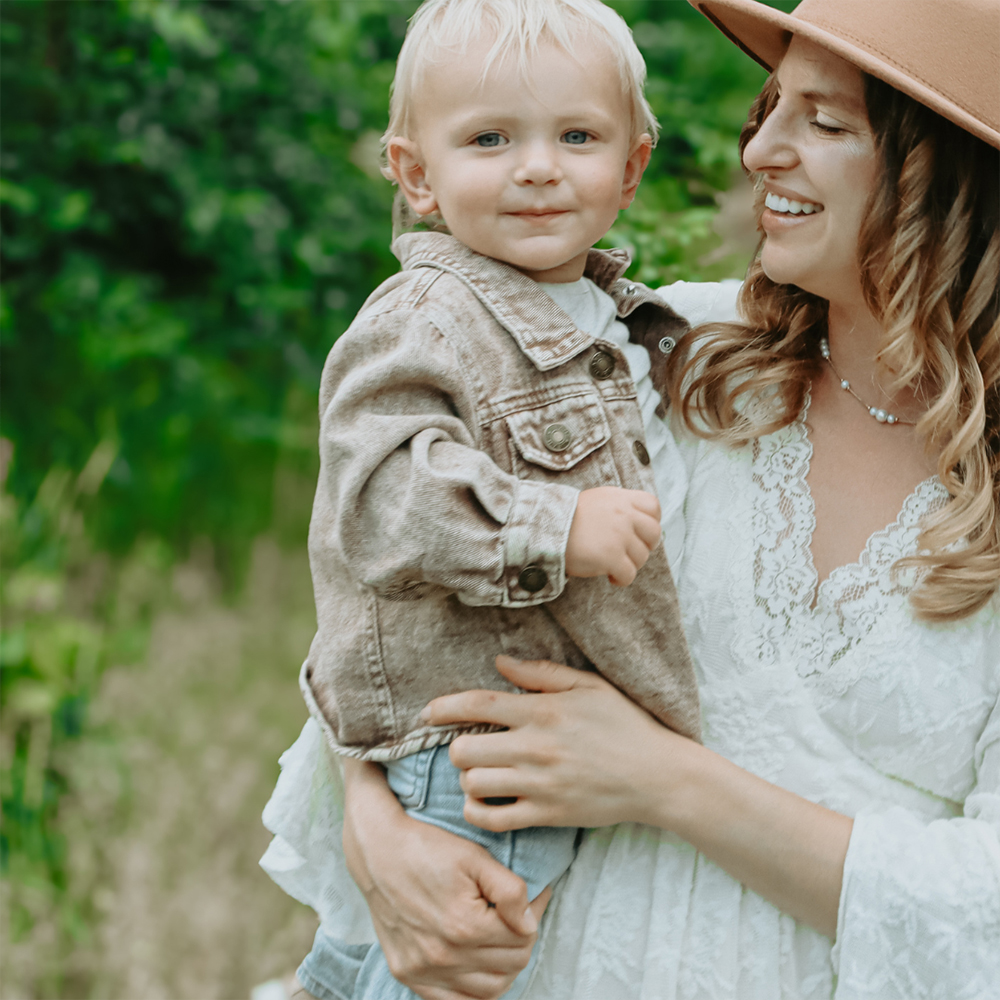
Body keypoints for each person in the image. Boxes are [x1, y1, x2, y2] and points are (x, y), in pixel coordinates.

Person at [261, 0, 1000, 997]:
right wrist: (375, 821)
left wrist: (665, 781)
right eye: (771, 108)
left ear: (951, 177)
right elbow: (405, 576)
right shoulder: (651, 357)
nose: (760, 151)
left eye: (824, 122)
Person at [288, 1, 713, 996]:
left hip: (534, 747)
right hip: (476, 749)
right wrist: (549, 525)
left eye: (577, 137)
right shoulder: (427, 317)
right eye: (489, 139)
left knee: (373, 965)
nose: (537, 167)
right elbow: (380, 497)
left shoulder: (613, 319)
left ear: (632, 169)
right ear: (415, 174)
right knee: (463, 958)